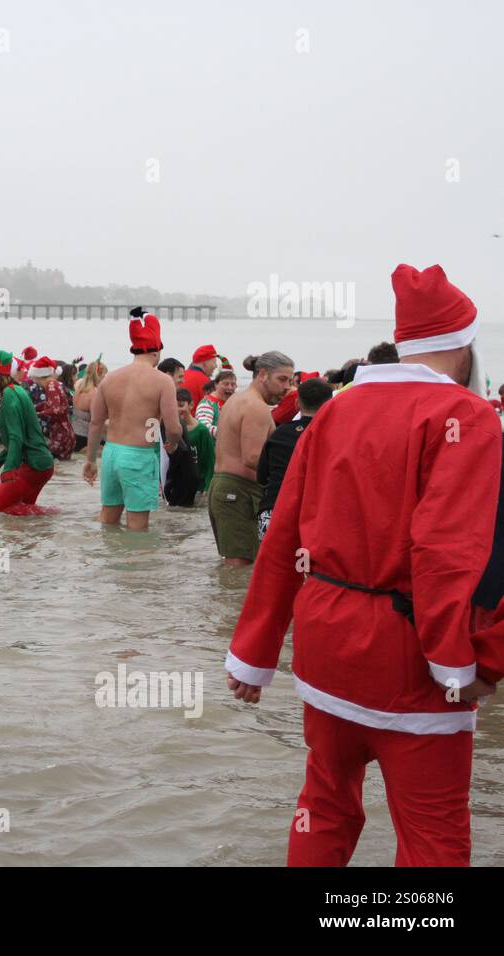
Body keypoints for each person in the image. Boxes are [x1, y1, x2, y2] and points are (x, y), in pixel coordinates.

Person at [226, 264, 501, 866]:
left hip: (326, 648)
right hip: (412, 660)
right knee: (434, 835)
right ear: (463, 344)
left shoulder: (335, 411)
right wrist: (460, 667)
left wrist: (255, 650)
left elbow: (283, 538)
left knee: (323, 805)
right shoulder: (469, 417)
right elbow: (446, 553)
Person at [82, 310, 179, 532]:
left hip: (112, 454)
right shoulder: (162, 381)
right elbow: (173, 427)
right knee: (137, 528)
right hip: (139, 457)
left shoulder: (110, 378)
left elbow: (96, 423)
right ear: (157, 350)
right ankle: (136, 564)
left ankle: (108, 561)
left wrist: (90, 460)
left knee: (108, 518)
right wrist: (173, 441)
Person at [208, 351, 294, 566]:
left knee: (235, 565)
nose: (287, 387)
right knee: (239, 567)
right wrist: (289, 479)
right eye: (282, 379)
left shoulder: (238, 399)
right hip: (238, 492)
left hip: (225, 488)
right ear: (263, 374)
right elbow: (252, 458)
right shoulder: (256, 407)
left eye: (290, 381)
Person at [0, 350, 56, 514]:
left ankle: (56, 517)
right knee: (18, 513)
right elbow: (19, 438)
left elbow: (16, 437)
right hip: (41, 464)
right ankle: (50, 525)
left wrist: (9, 469)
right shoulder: (16, 390)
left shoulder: (9, 394)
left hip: (34, 466)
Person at [256, 376, 332, 540]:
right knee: (307, 565)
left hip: (274, 512)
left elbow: (261, 476)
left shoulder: (279, 433)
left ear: (297, 404)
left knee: (272, 565)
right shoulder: (337, 435)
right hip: (317, 516)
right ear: (330, 405)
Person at [27, 357, 75, 461]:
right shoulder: (55, 384)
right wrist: (34, 407)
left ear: (39, 376)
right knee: (63, 468)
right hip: (67, 434)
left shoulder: (50, 386)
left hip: (60, 435)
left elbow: (55, 410)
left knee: (47, 464)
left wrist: (36, 414)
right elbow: (51, 404)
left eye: (35, 379)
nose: (36, 382)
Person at [177, 387, 215, 495]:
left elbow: (210, 461)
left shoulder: (202, 431)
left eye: (181, 405)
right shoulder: (171, 430)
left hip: (199, 487)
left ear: (191, 405)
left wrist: (208, 487)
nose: (177, 410)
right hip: (179, 485)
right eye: (173, 406)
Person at [72, 358, 105, 451]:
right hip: (85, 437)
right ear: (99, 375)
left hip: (75, 433)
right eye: (104, 375)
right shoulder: (94, 393)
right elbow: (96, 420)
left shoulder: (79, 389)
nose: (106, 378)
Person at [195, 369, 236, 434]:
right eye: (226, 384)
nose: (230, 387)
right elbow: (204, 427)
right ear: (216, 385)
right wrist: (229, 434)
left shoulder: (233, 403)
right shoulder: (207, 404)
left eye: (233, 384)